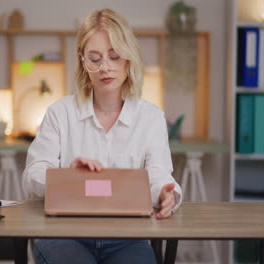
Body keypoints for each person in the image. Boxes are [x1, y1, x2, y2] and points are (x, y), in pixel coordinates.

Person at [22, 8, 182, 264]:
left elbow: (158, 175)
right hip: (65, 236)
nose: (105, 67)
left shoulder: (150, 117)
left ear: (128, 58)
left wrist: (166, 193)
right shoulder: (59, 113)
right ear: (82, 60)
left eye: (114, 56)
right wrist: (67, 178)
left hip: (129, 238)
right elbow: (33, 175)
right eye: (95, 58)